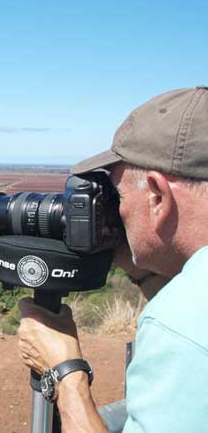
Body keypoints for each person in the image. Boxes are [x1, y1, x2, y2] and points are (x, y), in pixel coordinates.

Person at [17, 86, 208, 432]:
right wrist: (140, 269)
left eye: (117, 195)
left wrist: (64, 371)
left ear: (157, 195)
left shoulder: (180, 324)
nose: (115, 213)